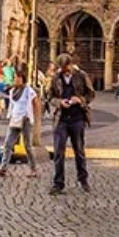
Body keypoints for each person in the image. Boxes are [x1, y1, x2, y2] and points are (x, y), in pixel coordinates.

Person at [47, 54, 94, 194]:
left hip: (77, 117)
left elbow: (91, 94)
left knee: (79, 150)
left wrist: (80, 100)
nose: (65, 70)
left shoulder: (81, 75)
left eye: (66, 66)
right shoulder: (56, 78)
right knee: (58, 152)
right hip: (61, 118)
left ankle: (83, 179)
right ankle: (58, 183)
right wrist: (59, 102)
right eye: (62, 67)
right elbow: (49, 97)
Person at [0, 69, 38, 178]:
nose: (16, 80)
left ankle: (34, 169)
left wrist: (34, 117)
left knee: (27, 145)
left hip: (25, 119)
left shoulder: (28, 90)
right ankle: (3, 168)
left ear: (23, 79)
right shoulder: (12, 91)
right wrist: (10, 115)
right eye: (15, 78)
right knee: (8, 144)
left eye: (18, 78)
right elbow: (12, 104)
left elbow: (35, 102)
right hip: (15, 118)